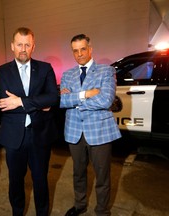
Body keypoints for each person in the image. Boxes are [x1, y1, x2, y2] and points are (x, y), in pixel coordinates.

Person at [0, 27, 59, 216]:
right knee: (15, 181)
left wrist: (20, 101)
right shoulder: (2, 71)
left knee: (40, 180)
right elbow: (5, 103)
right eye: (20, 44)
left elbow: (53, 98)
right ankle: (17, 212)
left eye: (27, 45)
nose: (23, 49)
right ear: (13, 46)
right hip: (14, 136)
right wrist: (38, 103)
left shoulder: (45, 68)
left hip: (40, 134)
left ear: (33, 47)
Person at [60, 34, 121, 216]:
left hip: (100, 131)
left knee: (102, 176)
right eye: (75, 50)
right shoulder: (67, 74)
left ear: (90, 49)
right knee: (78, 173)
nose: (79, 54)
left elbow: (106, 100)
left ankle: (102, 211)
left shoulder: (106, 71)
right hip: (74, 131)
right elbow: (63, 101)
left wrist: (74, 98)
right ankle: (80, 205)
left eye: (83, 49)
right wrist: (86, 94)